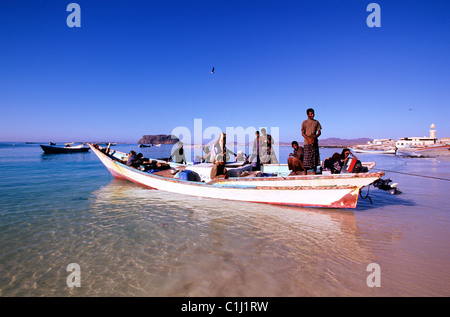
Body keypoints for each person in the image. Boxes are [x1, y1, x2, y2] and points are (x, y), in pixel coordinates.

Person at [301, 108, 322, 174]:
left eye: (313, 114)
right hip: (307, 142)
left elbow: (319, 132)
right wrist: (308, 139)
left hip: (314, 142)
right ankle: (305, 173)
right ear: (307, 115)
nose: (312, 115)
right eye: (311, 114)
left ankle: (314, 172)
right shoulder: (304, 122)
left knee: (315, 158)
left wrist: (314, 138)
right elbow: (303, 133)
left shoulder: (316, 122)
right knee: (306, 158)